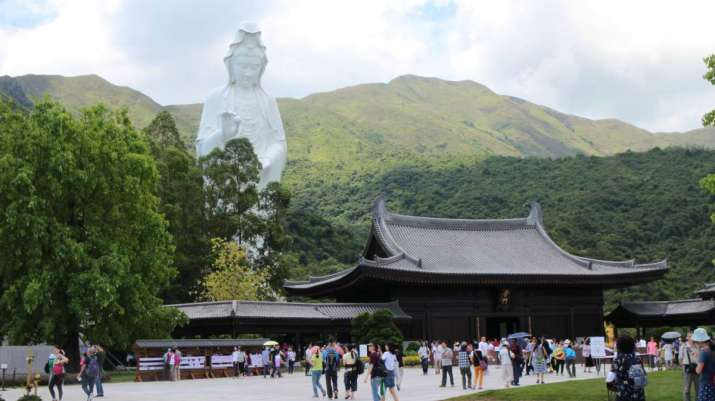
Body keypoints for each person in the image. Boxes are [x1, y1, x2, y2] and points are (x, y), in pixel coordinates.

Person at [611, 334, 647, 401]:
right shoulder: (637, 359)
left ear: (619, 346)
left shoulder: (617, 360)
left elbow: (611, 377)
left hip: (623, 392)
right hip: (638, 391)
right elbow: (643, 373)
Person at [695, 328, 715, 401]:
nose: (695, 343)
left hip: (705, 383)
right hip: (712, 382)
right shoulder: (712, 351)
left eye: (696, 341)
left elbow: (698, 371)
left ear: (700, 341)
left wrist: (698, 359)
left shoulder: (703, 352)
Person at [681, 332, 700, 401]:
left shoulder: (698, 346)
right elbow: (680, 359)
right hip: (687, 369)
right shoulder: (683, 346)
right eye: (690, 336)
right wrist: (683, 369)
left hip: (697, 368)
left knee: (698, 388)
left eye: (692, 336)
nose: (691, 338)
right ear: (687, 337)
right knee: (686, 389)